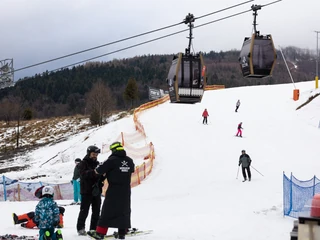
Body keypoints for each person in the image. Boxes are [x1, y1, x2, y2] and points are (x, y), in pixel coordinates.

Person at [87, 142, 135, 240]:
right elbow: (132, 170)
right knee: (123, 211)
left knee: (107, 211)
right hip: (126, 191)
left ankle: (100, 233)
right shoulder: (129, 160)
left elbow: (98, 170)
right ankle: (122, 233)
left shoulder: (111, 160)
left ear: (113, 150)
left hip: (114, 190)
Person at [76, 145, 103, 236]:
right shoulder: (83, 163)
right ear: (89, 153)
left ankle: (93, 228)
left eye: (96, 154)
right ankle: (80, 228)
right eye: (93, 154)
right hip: (86, 191)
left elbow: (100, 176)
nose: (95, 156)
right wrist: (94, 172)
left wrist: (102, 174)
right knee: (84, 211)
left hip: (96, 191)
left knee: (96, 211)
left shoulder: (97, 163)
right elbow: (83, 174)